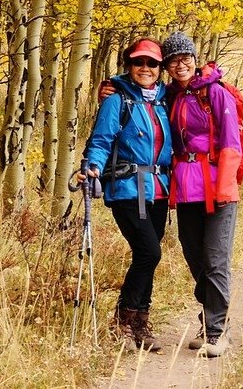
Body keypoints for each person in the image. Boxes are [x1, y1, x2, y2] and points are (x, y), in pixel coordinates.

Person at [82, 37, 172, 351]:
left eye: (152, 63)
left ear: (161, 68)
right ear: (129, 65)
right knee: (150, 252)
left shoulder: (165, 98)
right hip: (128, 188)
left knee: (146, 257)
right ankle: (122, 322)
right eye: (138, 62)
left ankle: (140, 325)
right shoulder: (116, 99)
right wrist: (91, 166)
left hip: (158, 190)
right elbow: (101, 140)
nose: (145, 68)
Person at [159, 31, 242, 358]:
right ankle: (210, 321)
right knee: (195, 257)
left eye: (185, 59)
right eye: (173, 60)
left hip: (217, 186)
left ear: (194, 60)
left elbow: (231, 144)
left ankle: (218, 332)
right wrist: (109, 87)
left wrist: (224, 187)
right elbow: (139, 85)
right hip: (185, 188)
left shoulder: (215, 93)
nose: (180, 65)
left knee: (215, 258)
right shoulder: (169, 96)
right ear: (167, 65)